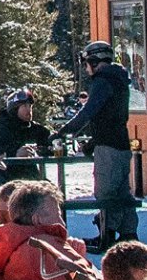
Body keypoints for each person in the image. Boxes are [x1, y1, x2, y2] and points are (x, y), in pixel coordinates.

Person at [58, 40, 137, 251]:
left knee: (105, 193)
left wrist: (65, 131)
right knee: (122, 193)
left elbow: (90, 111)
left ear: (94, 61)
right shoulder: (118, 79)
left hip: (109, 148)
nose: (86, 69)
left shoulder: (103, 81)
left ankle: (107, 237)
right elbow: (110, 116)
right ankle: (129, 235)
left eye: (87, 64)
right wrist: (93, 141)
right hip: (120, 143)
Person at [0, 89, 52, 198]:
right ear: (14, 109)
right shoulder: (2, 128)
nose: (29, 110)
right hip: (2, 177)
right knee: (11, 194)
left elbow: (50, 143)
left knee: (52, 194)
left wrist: (51, 147)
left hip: (28, 177)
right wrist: (14, 153)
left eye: (30, 106)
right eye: (25, 106)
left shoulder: (35, 129)